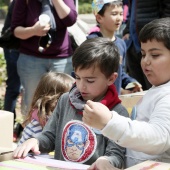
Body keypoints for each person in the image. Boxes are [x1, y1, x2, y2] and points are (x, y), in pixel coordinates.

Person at [13, 37, 129, 169]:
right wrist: (36, 141)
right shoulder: (65, 100)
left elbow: (117, 155)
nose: (81, 86)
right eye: (77, 78)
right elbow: (50, 136)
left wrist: (107, 161)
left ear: (111, 78)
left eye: (90, 80)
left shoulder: (118, 113)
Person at [83, 18, 170, 168]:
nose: (146, 61)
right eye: (143, 54)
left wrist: (109, 121)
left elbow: (159, 138)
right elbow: (134, 149)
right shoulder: (157, 90)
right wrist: (112, 162)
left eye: (154, 55)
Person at [11, 0, 77, 116]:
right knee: (33, 101)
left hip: (61, 58)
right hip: (31, 59)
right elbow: (15, 30)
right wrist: (33, 31)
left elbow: (70, 19)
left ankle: (58, 131)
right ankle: (32, 132)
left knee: (61, 100)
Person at [89, 0, 142, 95]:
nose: (119, 18)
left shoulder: (121, 44)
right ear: (99, 18)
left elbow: (120, 73)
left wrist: (131, 82)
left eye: (121, 14)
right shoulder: (92, 43)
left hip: (114, 101)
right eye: (114, 14)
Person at [123, 0, 170, 90]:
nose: (146, 61)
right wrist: (127, 30)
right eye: (144, 56)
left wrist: (159, 32)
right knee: (138, 89)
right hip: (134, 42)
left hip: (155, 38)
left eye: (155, 55)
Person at [18, 71, 75, 145]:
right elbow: (21, 149)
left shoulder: (66, 118)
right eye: (70, 97)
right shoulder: (36, 126)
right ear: (55, 99)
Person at [1, 0, 23, 142]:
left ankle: (22, 127)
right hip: (13, 45)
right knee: (14, 87)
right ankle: (7, 129)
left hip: (29, 50)